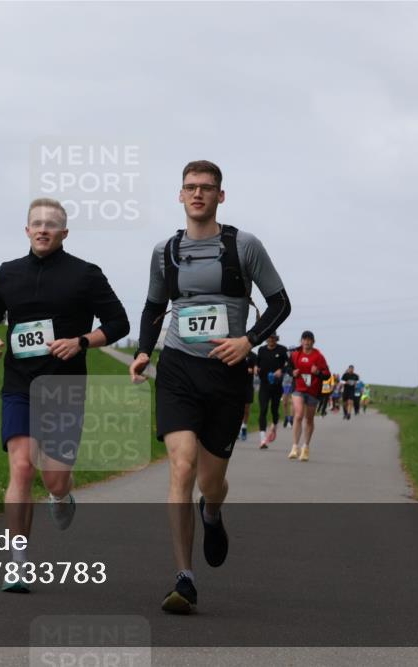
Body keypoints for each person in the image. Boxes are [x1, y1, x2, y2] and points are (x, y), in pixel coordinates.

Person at [128, 160, 291, 614]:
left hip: (226, 375)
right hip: (178, 369)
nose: (197, 194)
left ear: (221, 196)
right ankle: (185, 577)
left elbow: (280, 303)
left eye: (207, 188)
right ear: (179, 196)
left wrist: (248, 342)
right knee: (180, 467)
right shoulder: (165, 251)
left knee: (210, 481)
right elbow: (153, 307)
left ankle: (213, 512)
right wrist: (144, 350)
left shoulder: (244, 246)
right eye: (190, 187)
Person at [0, 197, 129, 592]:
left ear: (64, 233)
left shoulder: (85, 275)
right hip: (19, 385)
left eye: (51, 224)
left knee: (54, 478)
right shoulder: (7, 274)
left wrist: (81, 341)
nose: (43, 229)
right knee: (22, 468)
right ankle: (17, 564)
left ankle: (62, 497)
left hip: (64, 386)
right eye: (36, 223)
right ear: (26, 230)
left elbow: (119, 322)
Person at [286, 331, 330, 461]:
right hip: (298, 389)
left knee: (309, 419)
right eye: (304, 339)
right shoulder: (295, 355)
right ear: (301, 341)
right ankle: (295, 447)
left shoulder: (318, 356)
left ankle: (305, 447)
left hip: (313, 391)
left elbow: (327, 374)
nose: (307, 342)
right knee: (298, 415)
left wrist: (318, 372)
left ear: (313, 342)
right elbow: (287, 367)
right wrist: (292, 372)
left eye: (309, 340)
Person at [255, 333, 289, 448]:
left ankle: (274, 425)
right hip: (264, 385)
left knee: (274, 410)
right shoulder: (261, 350)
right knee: (263, 410)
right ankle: (263, 439)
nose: (270, 340)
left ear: (276, 338)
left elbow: (289, 365)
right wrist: (255, 367)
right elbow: (257, 363)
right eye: (268, 338)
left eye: (273, 338)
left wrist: (281, 370)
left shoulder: (282, 350)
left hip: (276, 386)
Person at [240, 350, 258, 441]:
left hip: (248, 386)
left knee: (246, 408)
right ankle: (236, 429)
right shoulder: (238, 352)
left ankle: (244, 428)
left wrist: (255, 370)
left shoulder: (253, 356)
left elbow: (256, 368)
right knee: (237, 409)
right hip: (237, 385)